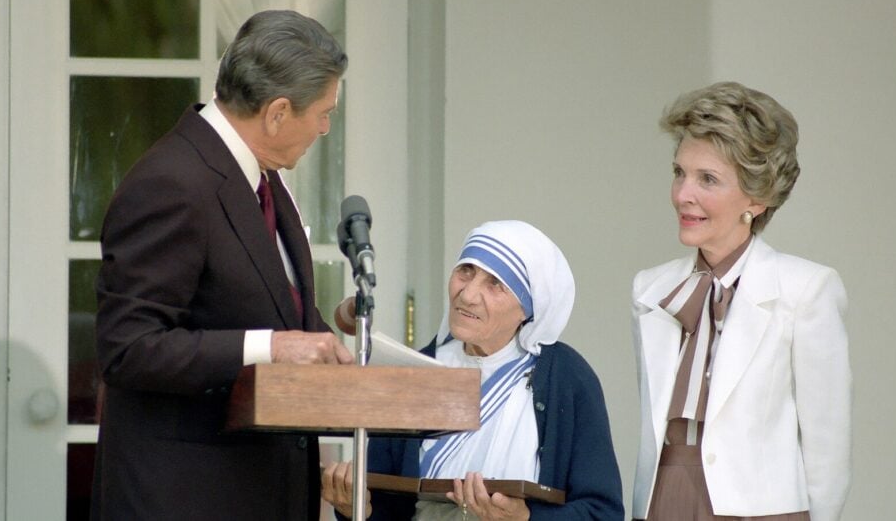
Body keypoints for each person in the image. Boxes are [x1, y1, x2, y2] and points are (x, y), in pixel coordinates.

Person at [90, 10, 353, 521]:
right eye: (324, 112)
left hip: (257, 492)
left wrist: (334, 341)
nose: (324, 127)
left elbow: (263, 307)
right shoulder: (172, 182)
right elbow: (128, 347)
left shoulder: (261, 177)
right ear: (277, 112)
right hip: (183, 498)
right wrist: (272, 347)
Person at [630, 82, 851, 521]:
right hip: (662, 500)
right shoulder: (650, 290)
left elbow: (828, 450)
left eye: (707, 179)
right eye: (679, 172)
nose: (682, 194)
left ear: (758, 197)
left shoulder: (807, 290)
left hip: (763, 510)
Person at [323, 220, 625, 520]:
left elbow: (602, 512)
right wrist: (355, 510)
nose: (467, 295)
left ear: (528, 309)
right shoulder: (414, 373)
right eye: (465, 271)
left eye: (495, 284)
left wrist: (525, 519)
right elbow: (386, 507)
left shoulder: (569, 380)